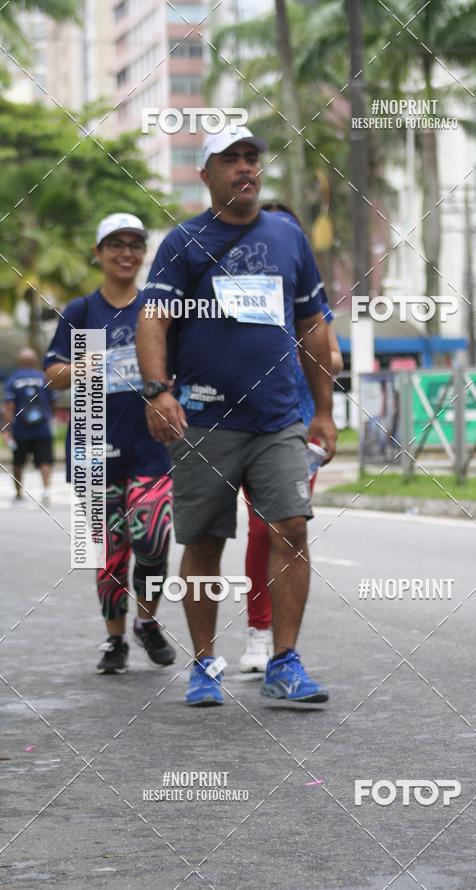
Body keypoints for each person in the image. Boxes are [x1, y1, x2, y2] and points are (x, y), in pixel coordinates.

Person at [137, 125, 337, 706]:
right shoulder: (183, 243)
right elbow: (154, 321)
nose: (245, 168)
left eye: (253, 158)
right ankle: (204, 665)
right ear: (206, 174)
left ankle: (285, 660)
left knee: (292, 529)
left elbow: (312, 327)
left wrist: (323, 410)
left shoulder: (288, 237)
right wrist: (157, 391)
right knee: (203, 542)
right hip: (202, 421)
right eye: (231, 160)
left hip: (277, 420)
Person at [44, 213, 176, 674]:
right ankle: (115, 640)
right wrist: (95, 362)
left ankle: (148, 622)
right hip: (95, 445)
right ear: (98, 253)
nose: (126, 253)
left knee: (154, 538)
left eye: (135, 244)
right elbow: (53, 375)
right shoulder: (81, 311)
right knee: (113, 550)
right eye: (115, 244)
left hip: (152, 446)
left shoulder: (155, 310)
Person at [240, 202, 343, 672]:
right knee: (259, 529)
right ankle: (257, 632)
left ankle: (279, 646)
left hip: (298, 427)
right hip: (241, 422)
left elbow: (335, 360)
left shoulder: (308, 298)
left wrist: (300, 338)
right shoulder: (240, 289)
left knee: (281, 526)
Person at [2, 347, 57, 505]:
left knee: (18, 462)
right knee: (45, 460)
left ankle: (19, 492)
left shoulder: (13, 380)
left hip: (21, 429)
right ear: (34, 361)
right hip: (42, 428)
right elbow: (54, 401)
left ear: (20, 362)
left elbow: (9, 408)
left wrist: (7, 429)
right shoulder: (44, 378)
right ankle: (46, 490)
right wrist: (51, 417)